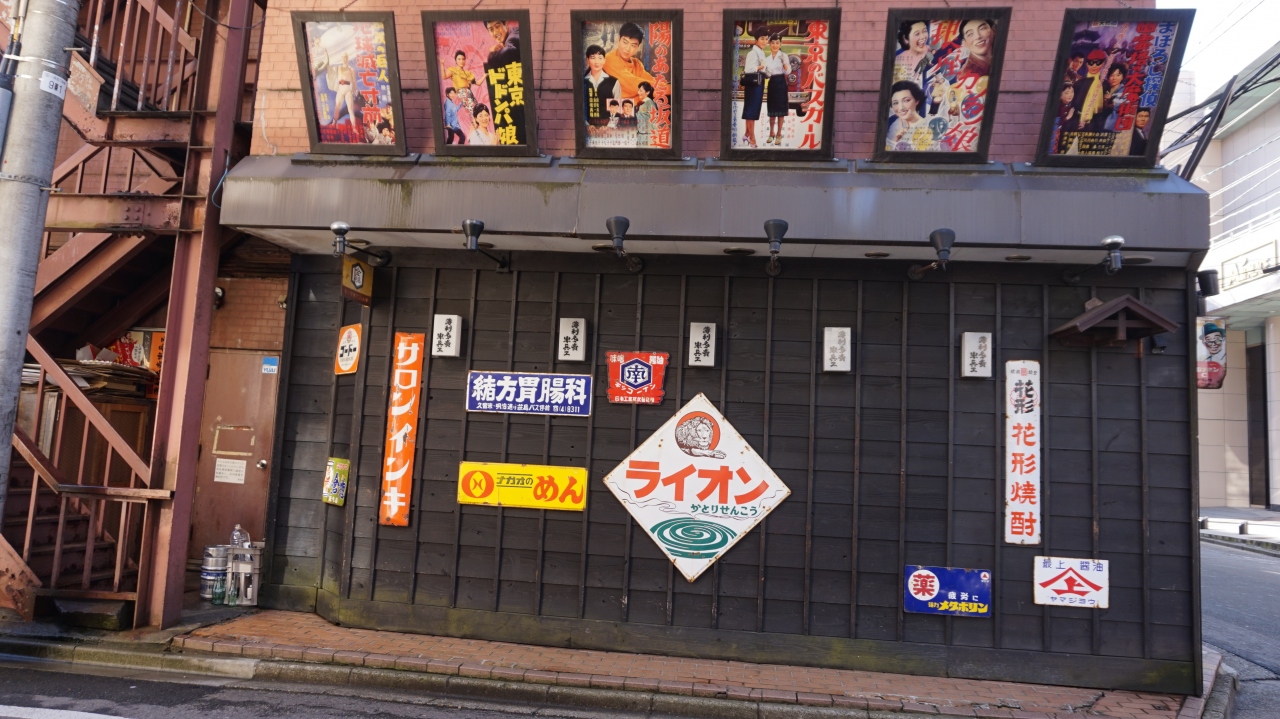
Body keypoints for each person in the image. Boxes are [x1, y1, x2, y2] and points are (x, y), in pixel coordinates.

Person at [483, 20, 525, 145]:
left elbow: (510, 52)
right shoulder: (508, 40)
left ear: (506, 25)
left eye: (497, 26)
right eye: (491, 29)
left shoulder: (514, 35)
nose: (495, 32)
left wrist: (492, 54)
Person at [603, 22, 656, 101]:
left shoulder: (637, 63)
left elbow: (651, 81)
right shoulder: (608, 59)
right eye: (625, 42)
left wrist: (666, 86)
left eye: (633, 45)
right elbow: (635, 84)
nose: (627, 49)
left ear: (637, 47)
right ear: (618, 39)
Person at [1073, 48, 1113, 130]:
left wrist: (1108, 104)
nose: (1094, 66)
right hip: (1078, 121)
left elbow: (1107, 109)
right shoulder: (1079, 83)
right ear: (1087, 64)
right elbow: (1073, 104)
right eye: (1091, 63)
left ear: (1103, 64)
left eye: (1098, 63)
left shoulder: (1105, 84)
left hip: (1098, 121)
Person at [762, 34, 790, 145]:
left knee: (781, 111)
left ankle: (779, 134)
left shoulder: (784, 55)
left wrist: (784, 62)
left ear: (780, 44)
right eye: (773, 43)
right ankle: (771, 133)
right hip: (772, 83)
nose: (775, 45)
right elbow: (767, 74)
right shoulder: (767, 58)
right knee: (772, 111)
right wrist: (764, 72)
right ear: (769, 44)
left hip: (781, 83)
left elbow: (788, 71)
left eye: (777, 43)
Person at [740, 33, 767, 147]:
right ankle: (752, 138)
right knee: (751, 111)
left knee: (753, 111)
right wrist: (762, 66)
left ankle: (746, 134)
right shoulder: (752, 53)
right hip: (753, 85)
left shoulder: (761, 52)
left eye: (766, 39)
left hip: (758, 84)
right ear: (756, 40)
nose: (764, 41)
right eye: (762, 38)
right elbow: (749, 69)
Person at [583, 44, 620, 126]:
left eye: (600, 58)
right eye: (593, 58)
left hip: (608, 127)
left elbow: (618, 107)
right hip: (587, 128)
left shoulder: (614, 82)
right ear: (587, 60)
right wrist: (587, 126)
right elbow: (579, 107)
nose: (597, 62)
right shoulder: (582, 81)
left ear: (604, 60)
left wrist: (609, 127)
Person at [885, 80, 927, 151]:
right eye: (895, 103)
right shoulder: (891, 123)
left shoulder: (928, 125)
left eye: (906, 100)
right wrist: (896, 139)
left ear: (917, 101)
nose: (901, 107)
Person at [893, 21, 931, 87]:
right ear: (906, 39)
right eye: (917, 34)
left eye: (924, 31)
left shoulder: (932, 51)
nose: (923, 37)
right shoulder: (899, 61)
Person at [328, 52, 358, 128]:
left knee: (350, 109)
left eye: (345, 57)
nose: (344, 59)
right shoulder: (338, 68)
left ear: (347, 58)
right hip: (340, 89)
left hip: (348, 89)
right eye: (342, 57)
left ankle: (354, 127)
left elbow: (354, 81)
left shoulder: (351, 69)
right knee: (337, 107)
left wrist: (355, 91)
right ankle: (334, 123)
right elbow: (330, 71)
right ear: (341, 58)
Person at [1100, 64, 1126, 132]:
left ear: (1122, 77)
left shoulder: (1125, 90)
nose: (1114, 78)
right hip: (1099, 124)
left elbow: (1123, 106)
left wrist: (1111, 101)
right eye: (1112, 75)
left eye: (1118, 75)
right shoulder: (1104, 88)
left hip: (1113, 126)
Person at [635, 81, 656, 147]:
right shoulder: (641, 103)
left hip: (648, 135)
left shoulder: (650, 103)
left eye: (640, 91)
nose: (638, 92)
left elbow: (655, 119)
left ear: (647, 92)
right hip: (640, 134)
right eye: (638, 90)